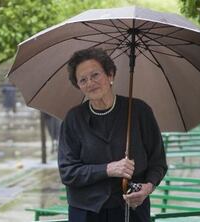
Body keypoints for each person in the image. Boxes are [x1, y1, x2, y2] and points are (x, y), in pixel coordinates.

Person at [58, 48, 167, 222]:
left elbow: (158, 162)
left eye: (95, 75)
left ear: (110, 75)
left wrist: (147, 188)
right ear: (78, 86)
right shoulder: (74, 119)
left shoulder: (139, 111)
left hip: (131, 209)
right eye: (83, 80)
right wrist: (108, 169)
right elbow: (68, 172)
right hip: (86, 211)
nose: (90, 83)